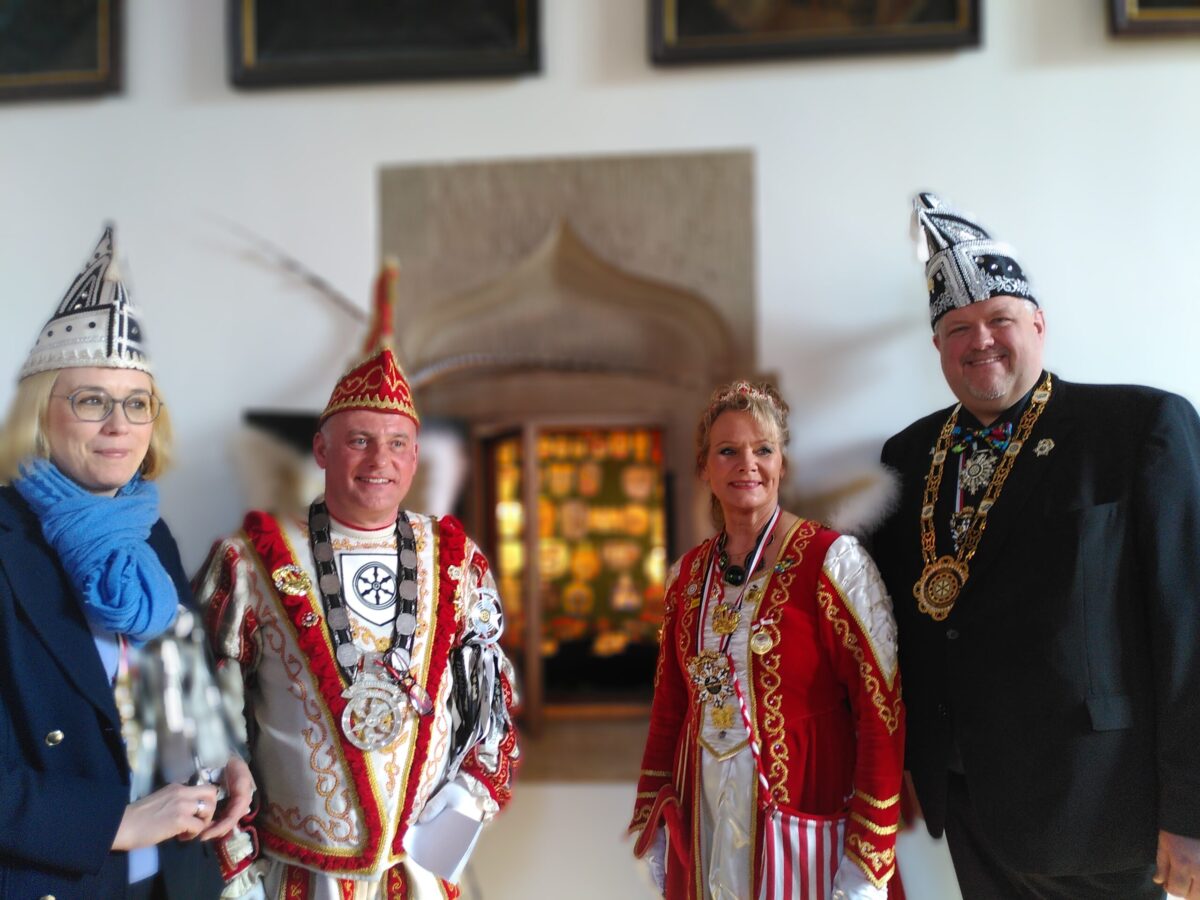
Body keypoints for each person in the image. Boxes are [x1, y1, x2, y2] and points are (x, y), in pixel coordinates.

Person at [869, 192, 1200, 899]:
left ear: (1040, 325)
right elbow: (892, 623)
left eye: (999, 320)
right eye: (958, 328)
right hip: (966, 800)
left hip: (1098, 803)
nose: (979, 341)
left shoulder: (1138, 428)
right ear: (936, 347)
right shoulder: (908, 454)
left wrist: (1192, 813)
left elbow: (1189, 630)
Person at [196, 265, 519, 899]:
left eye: (397, 444)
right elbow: (209, 720)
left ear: (416, 457)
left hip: (418, 877)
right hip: (298, 876)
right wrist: (234, 868)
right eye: (360, 441)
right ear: (321, 449)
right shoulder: (250, 562)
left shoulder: (457, 561)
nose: (380, 462)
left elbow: (493, 708)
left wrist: (466, 803)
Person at [0, 226, 254, 898]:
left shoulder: (152, 536)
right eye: (91, 401)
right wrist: (117, 822)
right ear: (40, 415)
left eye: (136, 403)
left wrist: (226, 755)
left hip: (172, 877)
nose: (118, 424)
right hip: (57, 879)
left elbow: (184, 687)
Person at [628, 381, 905, 900]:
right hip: (703, 819)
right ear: (705, 469)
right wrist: (655, 814)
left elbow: (880, 710)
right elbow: (669, 710)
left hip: (807, 815)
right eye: (727, 451)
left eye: (763, 450)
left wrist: (869, 853)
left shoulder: (832, 562)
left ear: (782, 465)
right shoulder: (686, 578)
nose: (746, 464)